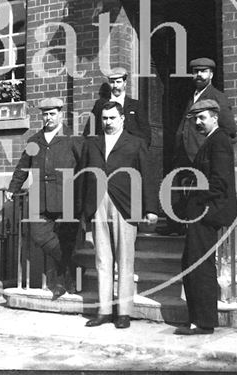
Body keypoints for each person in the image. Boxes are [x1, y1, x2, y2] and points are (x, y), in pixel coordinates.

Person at [77, 101, 158, 329]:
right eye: (104, 118)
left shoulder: (136, 143)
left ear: (122, 119)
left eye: (112, 118)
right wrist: (82, 209)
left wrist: (151, 209)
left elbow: (148, 177)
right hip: (98, 204)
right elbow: (83, 176)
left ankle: (123, 312)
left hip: (126, 205)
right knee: (102, 260)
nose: (108, 122)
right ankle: (103, 310)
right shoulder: (92, 144)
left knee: (125, 259)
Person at [174, 99, 237, 335]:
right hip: (201, 211)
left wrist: (196, 197)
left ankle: (203, 322)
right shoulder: (211, 141)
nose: (198, 123)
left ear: (215, 117)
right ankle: (199, 319)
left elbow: (219, 182)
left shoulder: (219, 141)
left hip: (206, 212)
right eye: (195, 119)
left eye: (202, 118)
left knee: (198, 265)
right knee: (193, 263)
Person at [5, 97, 82, 300]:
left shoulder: (73, 138)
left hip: (67, 198)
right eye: (45, 114)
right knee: (39, 235)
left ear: (60, 114)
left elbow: (84, 167)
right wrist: (14, 187)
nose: (48, 118)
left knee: (66, 240)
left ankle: (61, 284)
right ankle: (71, 267)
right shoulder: (35, 140)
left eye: (52, 113)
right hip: (40, 198)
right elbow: (23, 165)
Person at [157, 57, 237, 236]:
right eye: (195, 72)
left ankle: (195, 226)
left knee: (199, 192)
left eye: (203, 71)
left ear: (211, 74)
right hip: (184, 152)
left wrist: (210, 150)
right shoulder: (193, 95)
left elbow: (229, 129)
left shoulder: (217, 97)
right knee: (175, 187)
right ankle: (175, 226)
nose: (199, 75)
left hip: (201, 154)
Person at [84, 67, 151, 147]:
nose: (115, 86)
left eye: (118, 82)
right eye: (112, 82)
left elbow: (145, 134)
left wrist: (138, 152)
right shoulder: (100, 104)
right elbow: (89, 131)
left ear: (125, 82)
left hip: (129, 151)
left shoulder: (136, 106)